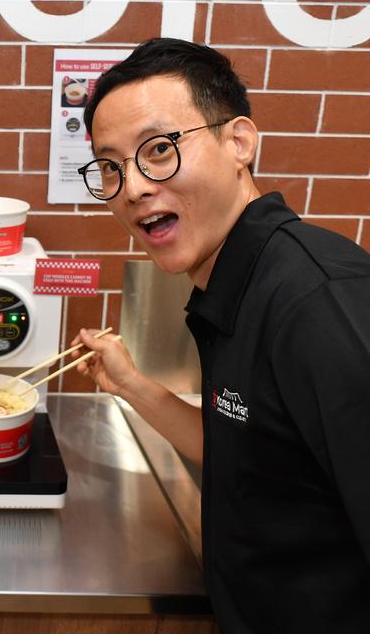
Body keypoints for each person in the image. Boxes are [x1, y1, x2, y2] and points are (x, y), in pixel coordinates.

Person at [71, 37, 370, 632]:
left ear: (238, 142)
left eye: (158, 150)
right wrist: (129, 383)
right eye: (111, 166)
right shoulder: (234, 282)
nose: (132, 188)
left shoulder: (317, 303)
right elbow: (248, 453)